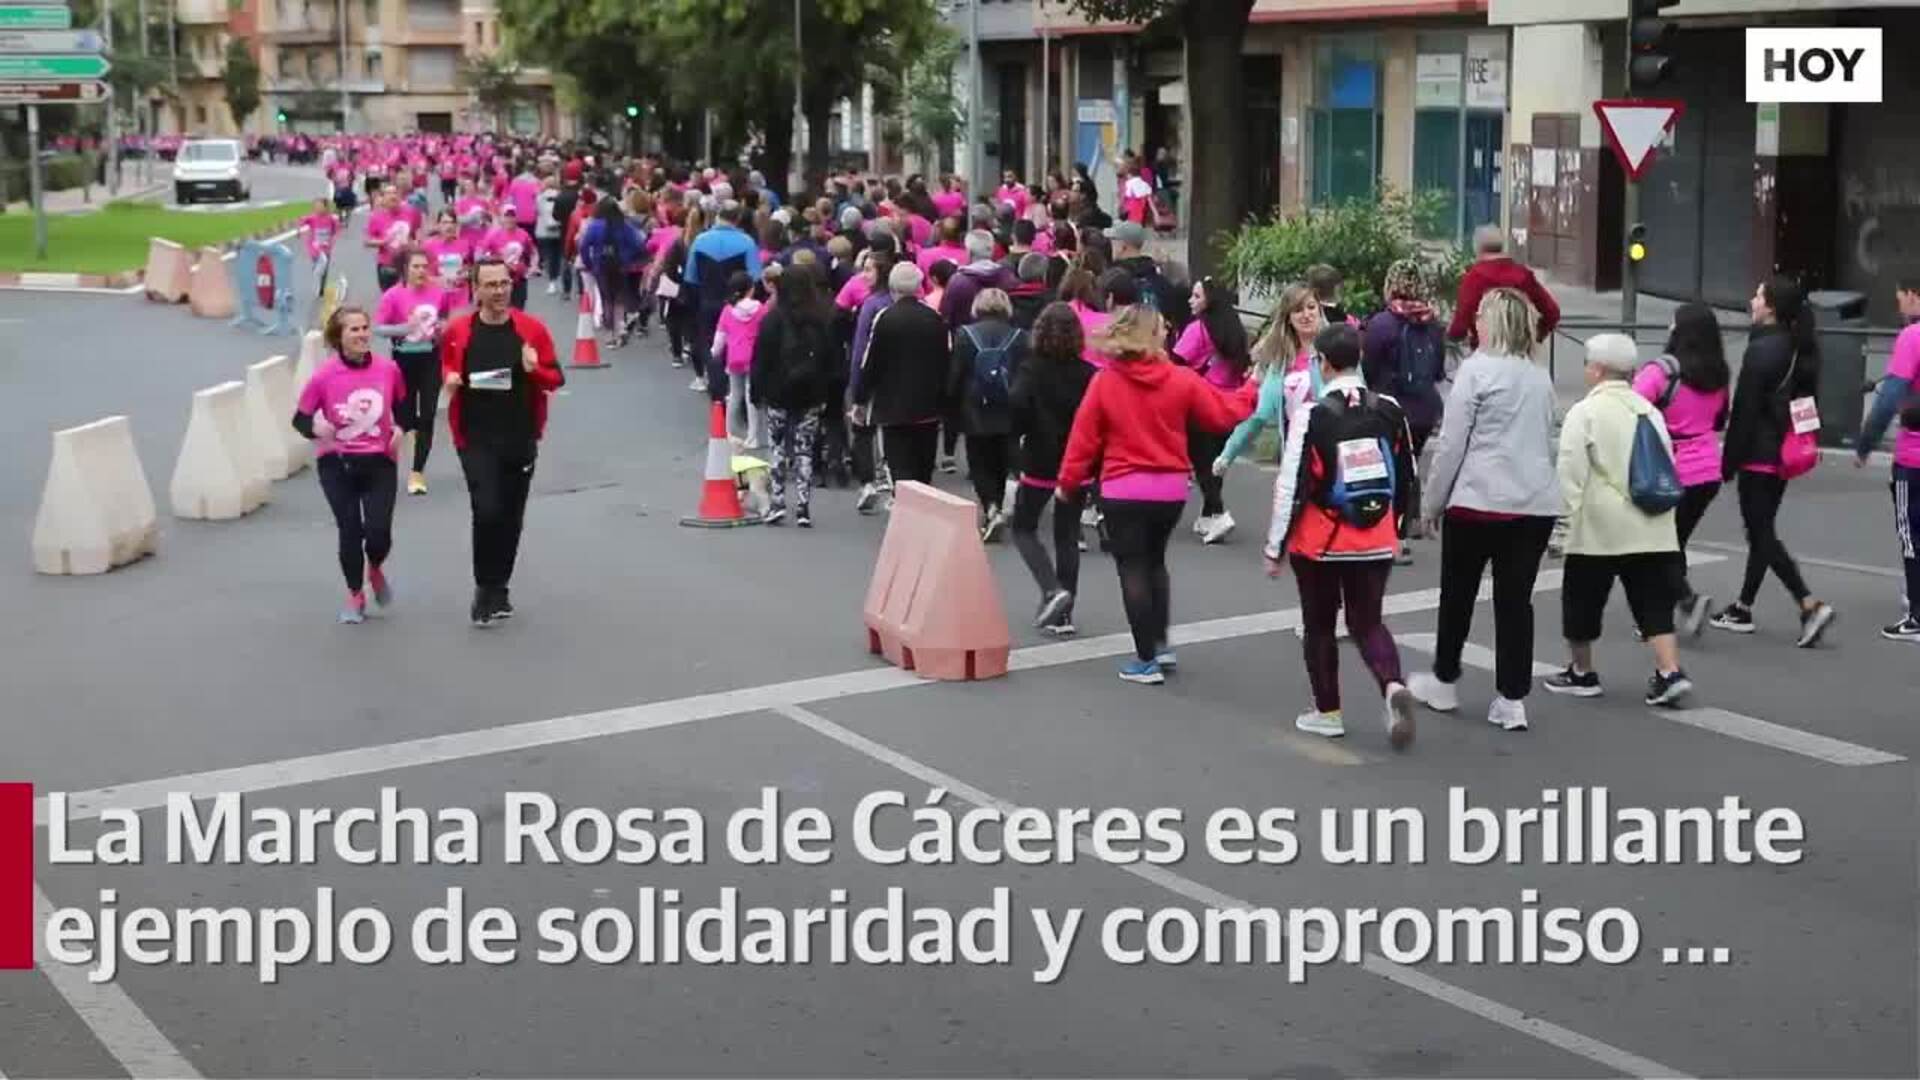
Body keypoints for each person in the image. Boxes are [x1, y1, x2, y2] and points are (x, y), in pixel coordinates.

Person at [1056, 306, 1257, 685]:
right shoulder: (1180, 379)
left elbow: (1082, 442)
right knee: (1155, 564)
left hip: (1121, 488)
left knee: (1132, 568)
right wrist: (1253, 388)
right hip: (1169, 490)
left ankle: (1144, 659)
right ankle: (1161, 645)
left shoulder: (1105, 382)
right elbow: (1222, 414)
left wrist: (1069, 485)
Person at [1406, 287, 1565, 732]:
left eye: (1479, 315)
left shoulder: (1475, 372)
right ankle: (1512, 698)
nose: (1473, 320)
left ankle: (1445, 677)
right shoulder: (1539, 377)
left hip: (1478, 499)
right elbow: (1549, 443)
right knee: (1516, 601)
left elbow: (1452, 445)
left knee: (1457, 595)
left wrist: (1432, 502)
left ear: (1491, 323)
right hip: (1533, 503)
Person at [1263, 322, 1418, 746]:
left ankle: (1328, 711)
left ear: (1323, 364)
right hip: (1376, 537)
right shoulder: (1388, 408)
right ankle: (1392, 684)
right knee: (1367, 621)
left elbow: (1292, 483)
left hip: (1321, 539)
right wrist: (1399, 528)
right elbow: (1407, 474)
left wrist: (1275, 546)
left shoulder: (1312, 414)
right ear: (1359, 359)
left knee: (1319, 625)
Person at [1544, 333, 1695, 706]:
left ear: (1597, 370)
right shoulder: (1649, 411)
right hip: (1651, 525)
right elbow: (1666, 466)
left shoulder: (1585, 413)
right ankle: (1669, 671)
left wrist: (1560, 530)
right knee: (1653, 604)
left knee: (1582, 601)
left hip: (1598, 528)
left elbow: (1570, 475)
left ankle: (1582, 672)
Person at [1711, 275, 1838, 645]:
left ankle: (1808, 603)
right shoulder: (1799, 347)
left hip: (1758, 454)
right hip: (1783, 453)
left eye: (1757, 296)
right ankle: (1743, 606)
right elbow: (1806, 404)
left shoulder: (1763, 350)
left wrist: (1728, 462)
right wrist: (1801, 440)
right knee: (1761, 531)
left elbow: (1744, 413)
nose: (1752, 301)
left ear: (1770, 308)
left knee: (1762, 534)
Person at [439, 260, 565, 627]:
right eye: (490, 285)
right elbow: (447, 369)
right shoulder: (459, 330)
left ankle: (500, 587)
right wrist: (448, 380)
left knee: (511, 517)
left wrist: (534, 370)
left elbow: (555, 378)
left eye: (504, 284)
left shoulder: (531, 330)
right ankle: (484, 587)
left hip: (520, 434)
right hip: (475, 436)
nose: (498, 291)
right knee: (487, 509)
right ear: (475, 290)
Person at [292, 306, 410, 625]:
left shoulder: (388, 370)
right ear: (339, 337)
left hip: (380, 462)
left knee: (378, 533)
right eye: (353, 330)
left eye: (364, 328)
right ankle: (355, 594)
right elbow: (300, 419)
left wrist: (400, 429)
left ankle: (374, 567)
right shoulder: (324, 376)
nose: (361, 335)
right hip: (337, 463)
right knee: (350, 529)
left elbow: (405, 409)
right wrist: (318, 429)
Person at [1633, 302, 1730, 636]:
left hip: (1670, 470)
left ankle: (1683, 602)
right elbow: (1719, 419)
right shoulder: (1718, 374)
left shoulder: (1661, 371)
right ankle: (1673, 609)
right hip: (1707, 471)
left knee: (1654, 546)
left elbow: (1628, 407)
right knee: (1674, 543)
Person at [1010, 302, 1094, 636]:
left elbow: (1016, 408)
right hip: (1078, 462)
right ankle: (1065, 615)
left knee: (1024, 527)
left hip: (1039, 460)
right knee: (1067, 536)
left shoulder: (1030, 370)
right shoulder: (1089, 374)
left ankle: (1050, 588)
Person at [1362, 258, 1449, 564]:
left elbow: (1368, 368)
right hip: (1425, 409)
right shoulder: (1432, 323)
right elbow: (1438, 371)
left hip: (1390, 408)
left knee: (1387, 471)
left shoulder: (1381, 324)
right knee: (1408, 468)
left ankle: (1387, 535)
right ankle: (1404, 528)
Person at [1855, 277, 1920, 641]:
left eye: (1900, 298)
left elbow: (1889, 397)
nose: (1899, 306)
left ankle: (1917, 616)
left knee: (1911, 532)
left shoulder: (1912, 338)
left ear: (1914, 296)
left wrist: (1866, 443)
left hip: (1914, 456)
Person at [751, 262, 838, 528]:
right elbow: (831, 360)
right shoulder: (822, 319)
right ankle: (803, 506)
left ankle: (777, 501)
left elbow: (761, 360)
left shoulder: (772, 320)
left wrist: (757, 391)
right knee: (805, 449)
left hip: (778, 391)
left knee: (777, 446)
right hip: (811, 393)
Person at [855, 262, 951, 488]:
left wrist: (861, 398)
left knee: (899, 463)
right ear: (919, 286)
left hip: (892, 406)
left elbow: (871, 362)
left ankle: (905, 506)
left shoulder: (885, 318)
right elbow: (946, 360)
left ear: (892, 287)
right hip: (928, 405)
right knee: (923, 465)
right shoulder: (935, 318)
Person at [1173, 277, 1252, 545]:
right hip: (1230, 402)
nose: (1190, 301)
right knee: (1216, 462)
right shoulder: (1236, 330)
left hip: (1202, 400)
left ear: (1209, 300)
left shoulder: (1198, 329)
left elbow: (1177, 361)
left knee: (1201, 462)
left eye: (1196, 296)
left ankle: (1218, 512)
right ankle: (1207, 514)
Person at [374, 249, 457, 496]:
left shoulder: (439, 293)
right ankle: (393, 451)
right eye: (416, 267)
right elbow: (379, 328)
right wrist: (403, 328)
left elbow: (444, 317)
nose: (422, 271)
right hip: (403, 360)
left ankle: (417, 472)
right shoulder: (393, 296)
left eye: (424, 266)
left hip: (431, 358)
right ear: (405, 270)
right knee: (405, 417)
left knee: (428, 414)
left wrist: (443, 328)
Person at [949, 288, 1028, 541]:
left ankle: (990, 506)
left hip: (975, 408)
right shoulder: (1019, 337)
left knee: (979, 462)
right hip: (1009, 408)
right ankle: (1001, 500)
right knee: (1002, 461)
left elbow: (956, 375)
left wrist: (950, 405)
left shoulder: (965, 335)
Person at [684, 201, 763, 400]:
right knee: (736, 341)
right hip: (737, 302)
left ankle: (716, 385)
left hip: (707, 299)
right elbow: (755, 276)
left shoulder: (700, 240)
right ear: (737, 219)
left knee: (710, 342)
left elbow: (690, 277)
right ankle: (733, 386)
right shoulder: (746, 242)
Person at [1447, 225, 1561, 349]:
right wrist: (1536, 335)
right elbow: (1552, 312)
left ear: (1477, 248)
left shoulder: (1474, 278)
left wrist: (1452, 336)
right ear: (1502, 246)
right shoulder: (1523, 275)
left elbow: (1462, 319)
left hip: (1485, 349)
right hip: (1520, 350)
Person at [712, 270, 770, 449]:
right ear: (751, 289)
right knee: (751, 396)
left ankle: (729, 432)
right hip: (754, 358)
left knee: (734, 395)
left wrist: (715, 352)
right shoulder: (761, 309)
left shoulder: (728, 310)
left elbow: (720, 337)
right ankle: (753, 437)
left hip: (734, 357)